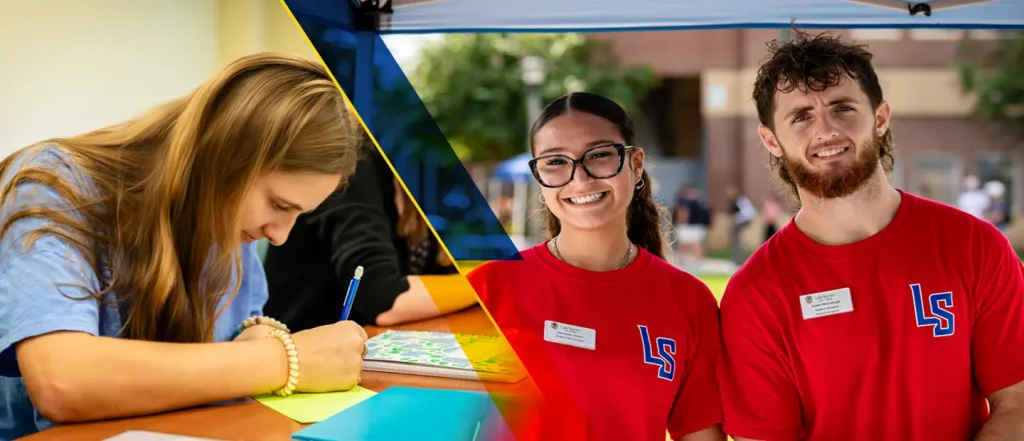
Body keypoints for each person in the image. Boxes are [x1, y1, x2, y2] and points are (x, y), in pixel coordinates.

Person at [0, 53, 371, 439]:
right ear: (222, 157)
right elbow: (63, 380)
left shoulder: (230, 223)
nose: (279, 236)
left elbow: (228, 356)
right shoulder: (51, 184)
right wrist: (285, 359)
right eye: (278, 205)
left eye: (299, 214)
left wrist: (254, 340)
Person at [717, 29, 1024, 441]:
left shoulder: (975, 246)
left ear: (880, 118)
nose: (825, 130)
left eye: (842, 108)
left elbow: (1017, 402)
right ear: (771, 140)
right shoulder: (754, 295)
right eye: (801, 116)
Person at [466, 92, 724, 441]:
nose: (580, 178)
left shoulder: (688, 300)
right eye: (555, 161)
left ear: (635, 166)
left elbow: (700, 434)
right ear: (540, 179)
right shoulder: (487, 288)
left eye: (600, 154)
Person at [262, 141, 477, 330]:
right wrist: (487, 284)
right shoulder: (352, 170)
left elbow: (441, 275)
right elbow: (384, 299)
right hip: (305, 355)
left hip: (360, 351)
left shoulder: (419, 180)